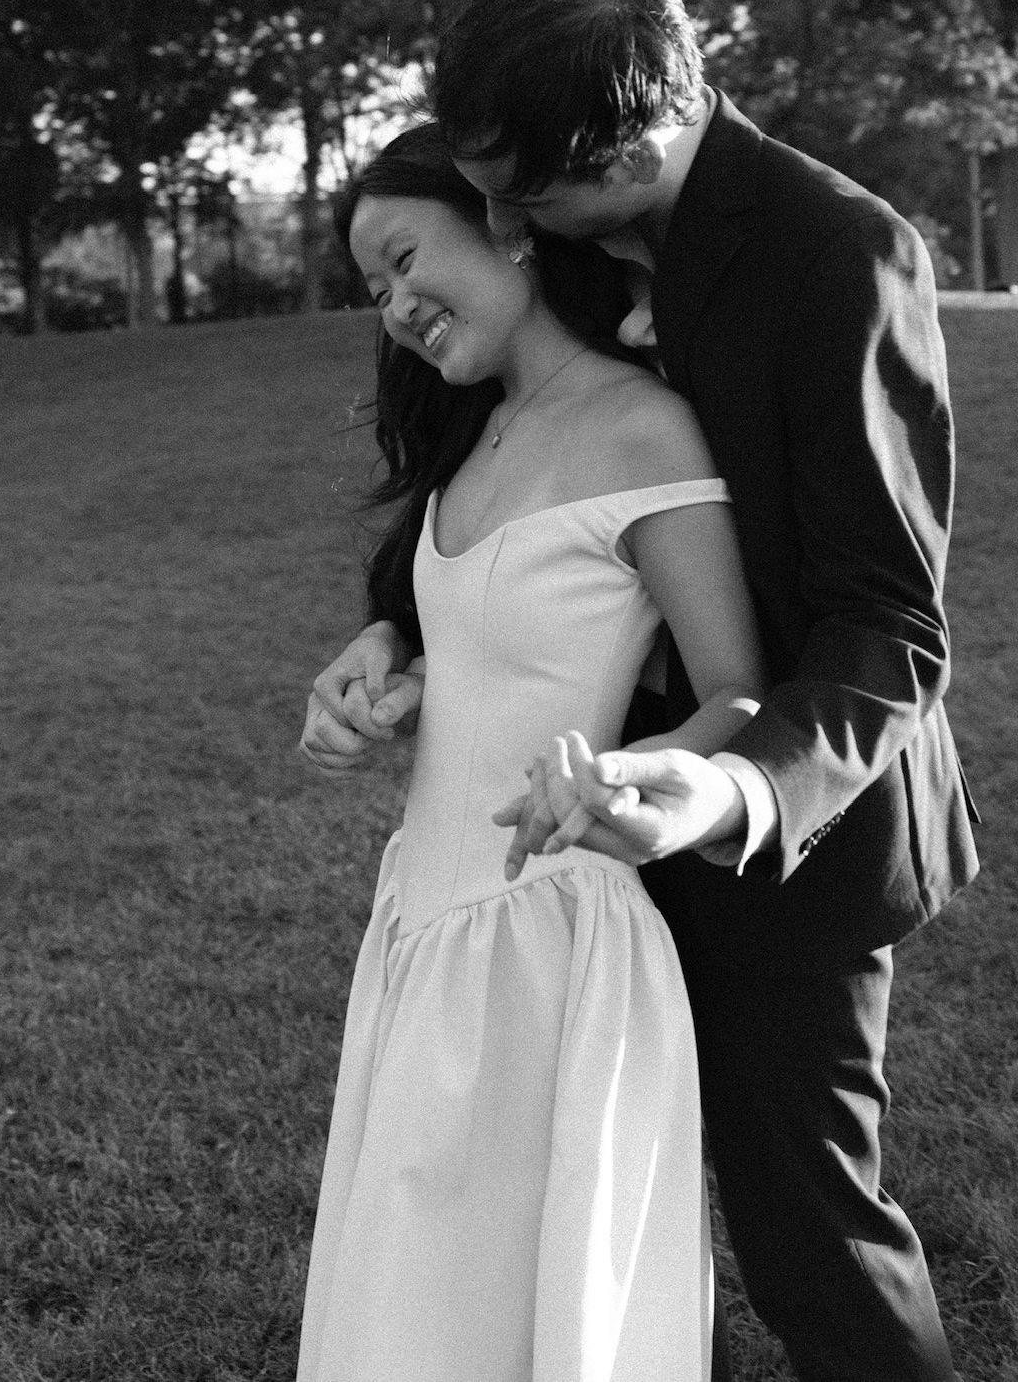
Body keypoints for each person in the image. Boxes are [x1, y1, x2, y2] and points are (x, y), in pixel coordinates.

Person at [302, 0, 981, 1382]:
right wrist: (399, 626)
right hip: (571, 843)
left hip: (784, 826)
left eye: (516, 195)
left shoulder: (835, 252)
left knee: (809, 1233)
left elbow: (889, 622)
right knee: (599, 1220)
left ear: (619, 151)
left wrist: (723, 790)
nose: (497, 220)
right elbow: (529, 482)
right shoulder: (568, 234)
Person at [296, 122, 767, 1381]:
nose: (395, 305)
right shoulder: (474, 441)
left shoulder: (643, 427)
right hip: (420, 918)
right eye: (374, 289)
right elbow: (487, 638)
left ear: (506, 226)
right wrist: (387, 677)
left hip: (545, 931)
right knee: (412, 1288)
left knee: (514, 1295)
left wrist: (641, 779)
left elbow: (736, 686)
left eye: (404, 259)